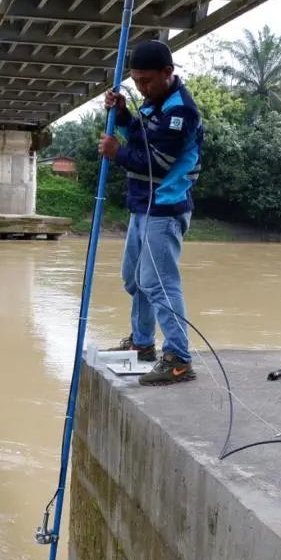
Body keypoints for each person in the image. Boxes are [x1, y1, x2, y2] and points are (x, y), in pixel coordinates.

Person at [96, 39, 204, 387]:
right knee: (134, 279)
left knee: (159, 283)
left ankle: (178, 359)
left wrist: (117, 152)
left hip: (164, 207)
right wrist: (125, 115)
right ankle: (142, 344)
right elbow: (142, 137)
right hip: (142, 206)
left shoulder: (180, 112)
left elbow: (155, 163)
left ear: (167, 73)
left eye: (147, 81)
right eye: (136, 82)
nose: (142, 88)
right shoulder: (153, 104)